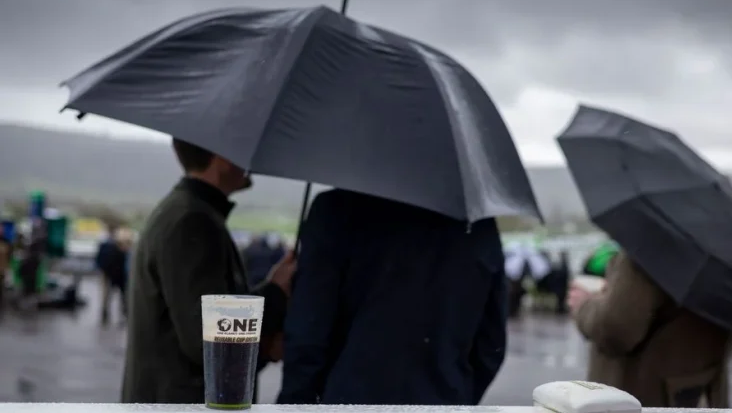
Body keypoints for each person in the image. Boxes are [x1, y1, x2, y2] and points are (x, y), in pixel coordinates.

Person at [278, 189, 507, 405]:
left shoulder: (337, 208)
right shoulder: (479, 224)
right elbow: (491, 344)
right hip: (445, 400)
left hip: (349, 398)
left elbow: (308, 332)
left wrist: (295, 402)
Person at [121, 138, 297, 404]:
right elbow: (208, 341)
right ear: (222, 157)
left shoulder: (187, 211)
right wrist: (274, 295)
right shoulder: (193, 221)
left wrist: (273, 289)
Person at [567, 251, 732, 408]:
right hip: (701, 392)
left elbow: (615, 328)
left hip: (641, 394)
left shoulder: (651, 247)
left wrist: (584, 305)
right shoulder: (728, 255)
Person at [96, 226, 132, 324]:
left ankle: (108, 315)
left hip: (114, 275)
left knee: (112, 296)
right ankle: (109, 315)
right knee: (112, 296)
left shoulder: (107, 246)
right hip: (113, 275)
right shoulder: (113, 247)